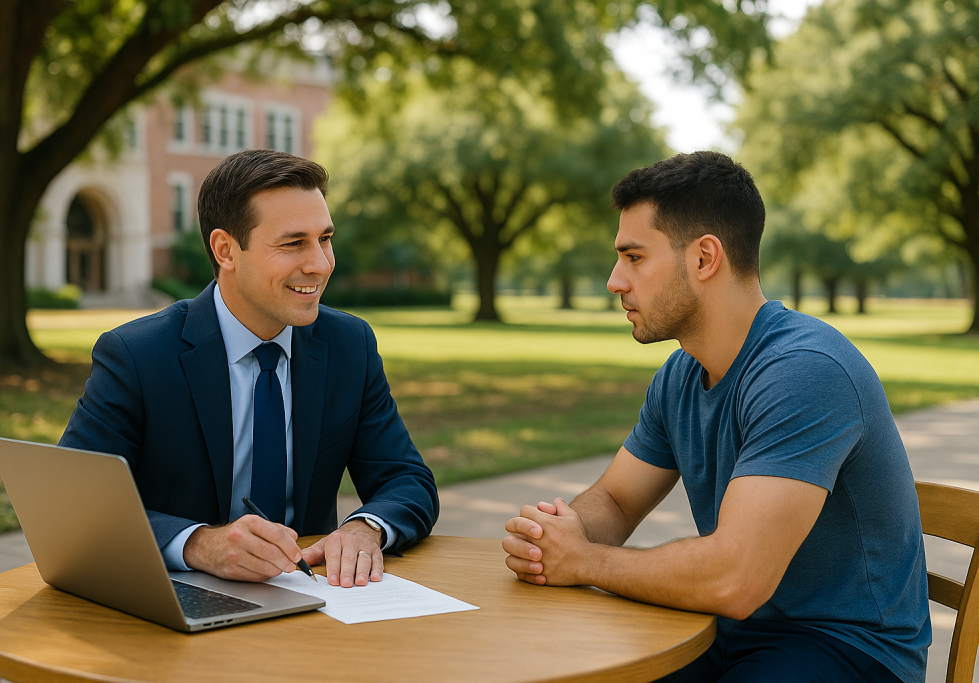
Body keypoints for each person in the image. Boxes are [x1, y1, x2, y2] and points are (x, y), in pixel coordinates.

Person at [502, 151, 930, 682]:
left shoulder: (804, 371)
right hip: (725, 628)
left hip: (846, 647)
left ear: (705, 258)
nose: (614, 280)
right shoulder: (680, 376)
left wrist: (585, 562)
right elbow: (615, 499)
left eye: (633, 257)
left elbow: (736, 578)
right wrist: (555, 537)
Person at [61, 149, 438, 589]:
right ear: (226, 250)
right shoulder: (137, 355)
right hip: (174, 602)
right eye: (294, 242)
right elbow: (73, 502)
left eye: (325, 238)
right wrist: (198, 544)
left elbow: (406, 478)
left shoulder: (349, 345)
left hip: (315, 602)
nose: (320, 263)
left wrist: (365, 527)